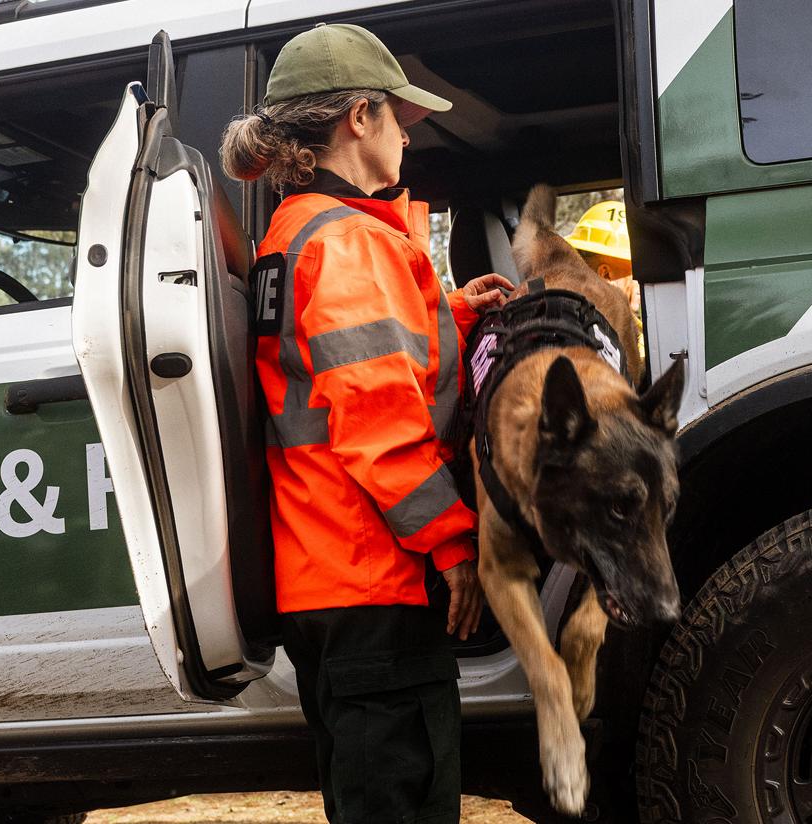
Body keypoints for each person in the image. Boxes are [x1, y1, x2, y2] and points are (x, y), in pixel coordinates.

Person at [218, 23, 513, 824]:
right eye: (399, 118)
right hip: (374, 573)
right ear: (358, 117)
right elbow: (379, 424)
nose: (407, 138)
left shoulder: (296, 233)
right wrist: (453, 545)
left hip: (324, 578)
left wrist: (448, 310)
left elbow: (330, 368)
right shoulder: (351, 243)